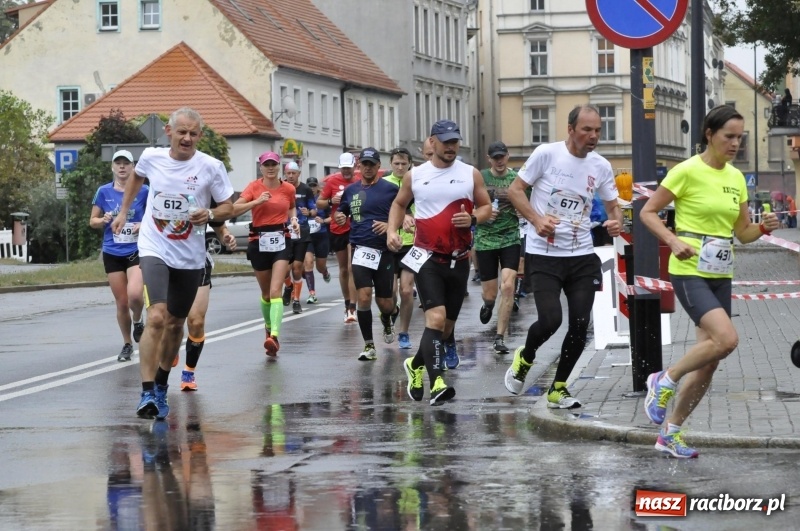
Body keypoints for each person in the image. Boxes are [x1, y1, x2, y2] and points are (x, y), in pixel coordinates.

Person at [639, 105, 780, 458]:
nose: (735, 143)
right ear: (709, 135)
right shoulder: (686, 171)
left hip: (720, 272)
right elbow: (647, 212)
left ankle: (670, 434)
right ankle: (663, 379)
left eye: (739, 137)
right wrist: (672, 240)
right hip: (688, 269)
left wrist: (763, 228)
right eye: (728, 136)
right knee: (727, 339)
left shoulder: (735, 178)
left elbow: (743, 233)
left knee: (710, 360)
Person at [111, 107, 234, 420]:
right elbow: (137, 178)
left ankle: (163, 386)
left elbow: (228, 206)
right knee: (157, 316)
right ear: (169, 132)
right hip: (155, 246)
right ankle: (146, 391)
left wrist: (211, 215)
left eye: (194, 133)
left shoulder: (210, 166)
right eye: (182, 132)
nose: (188, 138)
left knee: (177, 324)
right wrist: (125, 211)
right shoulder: (153, 158)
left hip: (190, 256)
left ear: (200, 136)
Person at [504, 104, 622, 409]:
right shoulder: (547, 154)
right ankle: (525, 357)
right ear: (570, 129)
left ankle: (559, 388)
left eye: (597, 130)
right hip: (544, 253)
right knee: (551, 319)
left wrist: (616, 220)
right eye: (587, 129)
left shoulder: (601, 166)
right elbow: (515, 191)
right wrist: (536, 219)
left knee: (581, 323)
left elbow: (612, 206)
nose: (594, 135)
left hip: (582, 253)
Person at [388, 120, 492, 405]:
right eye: (445, 142)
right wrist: (392, 231)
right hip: (427, 257)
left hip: (459, 260)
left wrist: (472, 219)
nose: (451, 147)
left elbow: (486, 207)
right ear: (432, 142)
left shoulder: (470, 174)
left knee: (445, 329)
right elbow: (399, 204)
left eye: (455, 141)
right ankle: (438, 384)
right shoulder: (416, 175)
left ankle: (415, 365)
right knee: (434, 319)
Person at [335, 147, 400, 360]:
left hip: (383, 251)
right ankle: (369, 346)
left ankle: (388, 319)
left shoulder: (390, 189)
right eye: (364, 164)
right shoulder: (351, 190)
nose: (368, 168)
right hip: (360, 249)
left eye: (372, 164)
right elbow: (342, 211)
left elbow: (405, 212)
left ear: (379, 166)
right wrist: (340, 217)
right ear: (358, 166)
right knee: (363, 296)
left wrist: (390, 226)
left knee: (385, 303)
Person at [234, 151, 299, 357]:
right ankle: (269, 328)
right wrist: (256, 202)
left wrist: (294, 220)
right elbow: (235, 208)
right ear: (261, 167)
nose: (270, 168)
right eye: (266, 165)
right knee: (265, 294)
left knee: (275, 291)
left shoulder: (288, 188)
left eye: (274, 164)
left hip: (281, 240)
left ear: (279, 167)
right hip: (258, 241)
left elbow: (292, 208)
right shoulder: (254, 187)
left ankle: (275, 337)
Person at [90, 149, 147, 362]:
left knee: (135, 295)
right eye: (118, 163)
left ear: (133, 167)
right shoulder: (103, 192)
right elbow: (92, 221)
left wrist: (142, 224)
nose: (122, 167)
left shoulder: (144, 190)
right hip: (113, 251)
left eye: (126, 163)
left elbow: (154, 215)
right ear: (113, 167)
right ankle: (127, 344)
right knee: (122, 302)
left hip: (136, 250)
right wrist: (102, 220)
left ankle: (139, 319)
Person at [177, 220, 236, 391]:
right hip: (165, 261)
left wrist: (225, 235)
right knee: (170, 321)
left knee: (196, 321)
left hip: (198, 261)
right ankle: (170, 347)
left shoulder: (203, 194)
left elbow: (219, 221)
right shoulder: (156, 193)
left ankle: (189, 371)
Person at [475, 141, 520, 354]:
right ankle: (488, 305)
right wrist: (480, 214)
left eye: (502, 156)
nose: (499, 161)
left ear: (508, 156)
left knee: (508, 287)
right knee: (490, 294)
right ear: (489, 158)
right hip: (485, 240)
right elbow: (468, 203)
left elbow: (529, 201)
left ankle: (500, 337)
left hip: (511, 237)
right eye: (495, 157)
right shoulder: (481, 177)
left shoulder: (515, 179)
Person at [317, 153, 359, 323]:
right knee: (343, 269)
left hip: (356, 228)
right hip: (338, 228)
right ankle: (347, 302)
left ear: (354, 166)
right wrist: (330, 201)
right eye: (344, 168)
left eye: (349, 168)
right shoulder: (332, 182)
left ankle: (352, 309)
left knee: (351, 267)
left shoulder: (359, 180)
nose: (346, 171)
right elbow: (319, 202)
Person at [383, 147, 417, 350]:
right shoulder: (383, 184)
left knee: (406, 290)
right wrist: (399, 217)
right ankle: (390, 313)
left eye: (404, 164)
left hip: (411, 242)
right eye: (396, 163)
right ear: (391, 164)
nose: (400, 167)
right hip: (389, 242)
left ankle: (404, 332)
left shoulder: (416, 182)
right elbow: (381, 210)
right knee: (390, 294)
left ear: (410, 164)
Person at [283, 161, 316, 314]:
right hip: (285, 232)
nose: (290, 176)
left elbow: (314, 210)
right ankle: (288, 285)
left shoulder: (306, 189)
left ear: (298, 174)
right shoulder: (281, 188)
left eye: (293, 173)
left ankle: (296, 300)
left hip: (301, 231)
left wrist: (308, 213)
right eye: (288, 173)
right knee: (284, 270)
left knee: (297, 268)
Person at [302, 176, 332, 304]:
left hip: (321, 235)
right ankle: (312, 293)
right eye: (310, 186)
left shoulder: (323, 200)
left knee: (320, 267)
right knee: (308, 263)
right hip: (307, 237)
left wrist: (323, 220)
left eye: (314, 186)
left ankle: (324, 272)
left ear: (318, 187)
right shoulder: (302, 199)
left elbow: (334, 217)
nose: (312, 188)